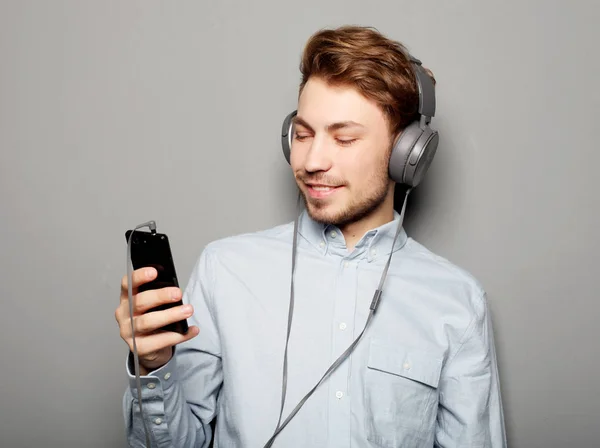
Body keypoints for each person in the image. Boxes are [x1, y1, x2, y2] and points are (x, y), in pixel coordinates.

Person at [115, 25, 507, 448]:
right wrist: (153, 365)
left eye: (344, 138)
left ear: (406, 152)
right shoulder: (224, 270)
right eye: (302, 135)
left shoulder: (458, 303)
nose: (313, 160)